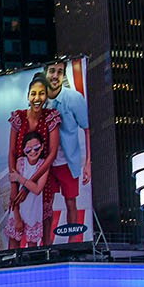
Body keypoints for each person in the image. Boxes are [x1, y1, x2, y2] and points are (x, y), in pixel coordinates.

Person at [5, 74, 60, 249]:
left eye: (42, 93)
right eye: (33, 93)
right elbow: (12, 152)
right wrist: (16, 188)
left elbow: (52, 153)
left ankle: (45, 263)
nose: (37, 98)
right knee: (15, 228)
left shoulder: (51, 117)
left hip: (42, 177)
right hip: (20, 175)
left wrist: (29, 185)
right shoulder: (18, 117)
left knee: (42, 226)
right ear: (28, 95)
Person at [44, 60, 91, 242]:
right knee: (45, 205)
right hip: (46, 163)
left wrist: (87, 163)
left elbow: (87, 128)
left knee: (71, 201)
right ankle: (45, 245)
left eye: (60, 72)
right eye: (52, 71)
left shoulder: (74, 98)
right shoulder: (39, 99)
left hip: (67, 161)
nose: (55, 75)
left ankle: (74, 243)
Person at [3, 131, 49, 248]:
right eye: (29, 149)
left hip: (33, 211)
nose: (33, 152)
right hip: (18, 210)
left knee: (32, 247)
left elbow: (38, 189)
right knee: (13, 245)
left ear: (42, 147)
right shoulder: (20, 162)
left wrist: (20, 178)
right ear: (24, 150)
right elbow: (14, 192)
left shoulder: (43, 165)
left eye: (36, 148)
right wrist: (17, 216)